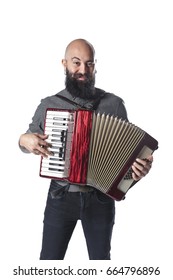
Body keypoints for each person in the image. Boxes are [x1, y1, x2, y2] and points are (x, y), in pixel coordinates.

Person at [19, 38, 153, 260]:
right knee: (48, 262)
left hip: (101, 200)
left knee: (101, 262)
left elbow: (126, 158)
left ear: (95, 65)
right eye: (76, 63)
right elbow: (27, 141)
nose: (83, 70)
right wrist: (24, 140)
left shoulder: (114, 104)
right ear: (64, 64)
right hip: (60, 197)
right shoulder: (49, 104)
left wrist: (137, 172)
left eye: (89, 64)